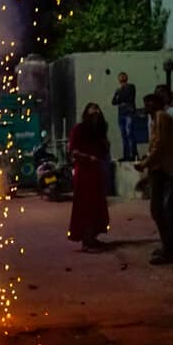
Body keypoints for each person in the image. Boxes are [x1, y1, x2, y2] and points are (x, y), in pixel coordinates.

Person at [138, 91, 173, 264]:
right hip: (162, 168)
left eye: (150, 102)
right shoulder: (156, 118)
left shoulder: (161, 117)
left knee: (161, 210)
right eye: (146, 102)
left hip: (165, 170)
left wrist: (145, 163)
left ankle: (171, 249)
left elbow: (160, 145)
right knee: (164, 210)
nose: (147, 106)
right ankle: (170, 247)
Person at [68, 102, 112, 251]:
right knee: (85, 205)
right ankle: (86, 241)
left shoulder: (99, 132)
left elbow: (103, 151)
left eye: (97, 115)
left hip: (96, 171)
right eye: (92, 115)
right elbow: (73, 151)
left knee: (97, 205)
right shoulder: (79, 129)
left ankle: (93, 237)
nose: (95, 118)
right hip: (84, 172)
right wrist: (87, 158)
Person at [111, 71, 138, 161]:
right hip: (121, 114)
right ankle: (126, 155)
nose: (121, 78)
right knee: (124, 134)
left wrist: (121, 99)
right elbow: (114, 101)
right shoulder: (118, 90)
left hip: (129, 112)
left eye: (123, 76)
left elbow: (128, 97)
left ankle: (132, 154)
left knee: (129, 133)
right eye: (120, 77)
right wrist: (121, 99)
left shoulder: (131, 87)